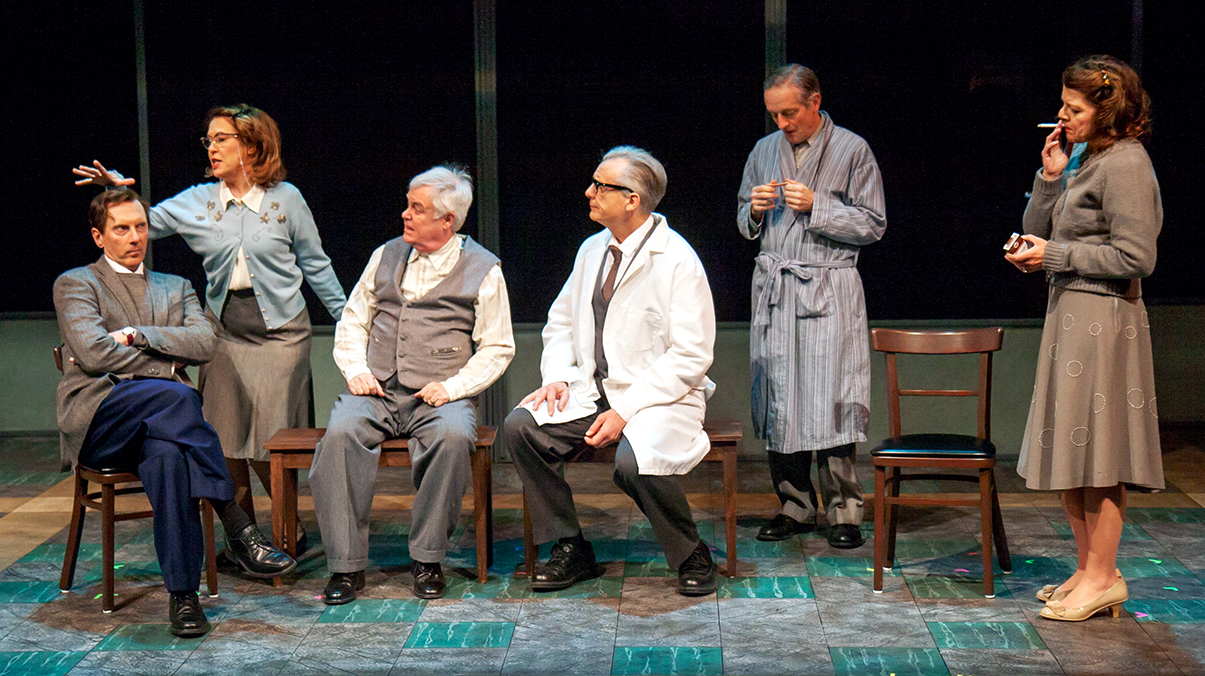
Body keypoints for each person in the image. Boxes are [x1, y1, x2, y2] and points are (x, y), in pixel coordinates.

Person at [73, 105, 347, 550]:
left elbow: (316, 266)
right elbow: (144, 224)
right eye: (210, 140)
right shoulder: (199, 200)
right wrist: (119, 193)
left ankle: (286, 527)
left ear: (251, 145)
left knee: (272, 438)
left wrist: (350, 323)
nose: (212, 148)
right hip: (224, 331)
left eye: (222, 139)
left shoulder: (287, 200)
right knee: (223, 435)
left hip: (282, 333)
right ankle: (246, 536)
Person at [54, 188, 296, 637]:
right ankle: (238, 523)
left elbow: (204, 344)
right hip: (101, 419)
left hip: (160, 428)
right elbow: (92, 354)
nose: (134, 237)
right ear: (98, 236)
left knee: (169, 457)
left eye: (140, 227)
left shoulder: (176, 286)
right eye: (121, 228)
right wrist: (166, 363)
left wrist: (137, 336)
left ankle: (184, 599)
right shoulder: (76, 283)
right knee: (180, 396)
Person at [503, 146, 719, 597]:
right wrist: (558, 376)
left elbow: (691, 355)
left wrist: (626, 408)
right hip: (593, 391)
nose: (589, 192)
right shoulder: (592, 250)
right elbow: (561, 319)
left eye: (601, 186)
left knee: (634, 463)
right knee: (522, 427)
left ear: (632, 199)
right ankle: (569, 546)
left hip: (660, 397)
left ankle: (690, 552)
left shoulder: (677, 260)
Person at [309, 167, 514, 603]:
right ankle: (346, 566)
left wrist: (455, 387)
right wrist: (356, 370)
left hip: (437, 394)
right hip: (378, 387)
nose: (405, 215)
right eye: (407, 204)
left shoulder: (483, 269)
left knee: (455, 436)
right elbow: (353, 319)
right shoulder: (385, 255)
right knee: (340, 434)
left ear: (448, 221)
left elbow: (497, 346)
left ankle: (427, 557)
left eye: (416, 209)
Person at [1007, 55, 1162, 622]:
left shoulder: (1126, 163)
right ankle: (1090, 567)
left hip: (1105, 322)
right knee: (1073, 451)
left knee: (1101, 454)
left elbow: (1136, 257)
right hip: (1071, 313)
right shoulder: (1084, 158)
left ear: (1106, 109)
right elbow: (1043, 231)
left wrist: (1056, 255)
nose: (1062, 117)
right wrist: (1050, 178)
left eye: (1073, 109)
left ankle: (1104, 576)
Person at [737, 64, 887, 548]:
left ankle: (844, 511)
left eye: (790, 112)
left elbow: (872, 223)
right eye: (775, 114)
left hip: (829, 287)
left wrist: (817, 205)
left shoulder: (853, 149)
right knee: (781, 398)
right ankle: (794, 506)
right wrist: (754, 210)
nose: (783, 123)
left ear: (815, 102)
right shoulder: (763, 152)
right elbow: (742, 217)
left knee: (832, 399)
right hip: (778, 288)